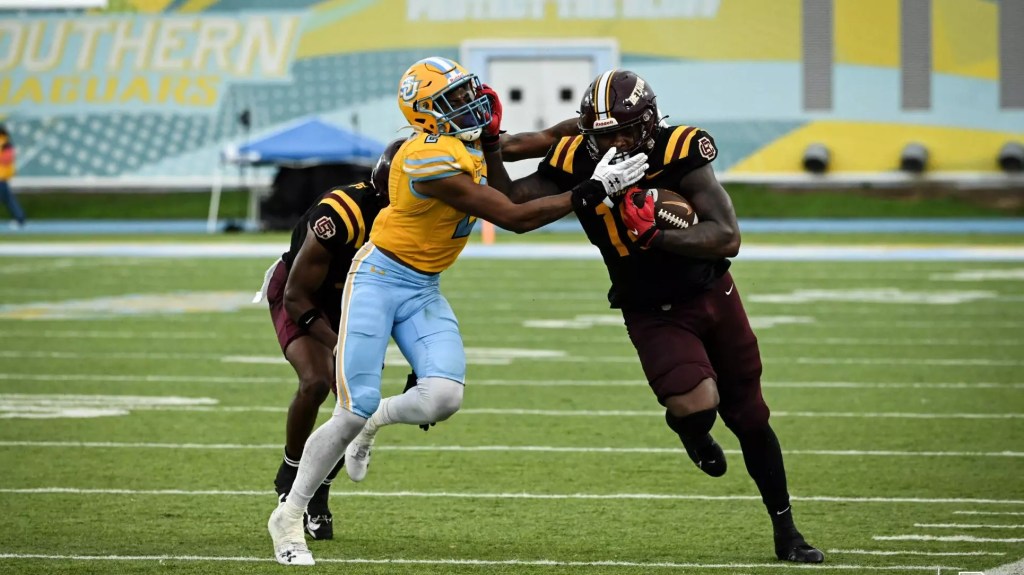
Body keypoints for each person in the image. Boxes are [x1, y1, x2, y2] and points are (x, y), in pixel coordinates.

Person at [266, 56, 646, 566]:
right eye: (455, 98)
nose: (470, 103)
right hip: (379, 278)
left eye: (468, 92)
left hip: (423, 285)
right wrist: (593, 189)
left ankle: (377, 419)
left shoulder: (460, 141)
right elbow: (511, 216)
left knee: (442, 397)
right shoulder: (425, 158)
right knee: (349, 408)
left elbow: (540, 138)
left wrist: (598, 127)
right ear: (426, 114)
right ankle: (289, 516)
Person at [505, 69, 825, 563]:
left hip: (712, 293)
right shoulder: (575, 157)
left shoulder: (681, 150)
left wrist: (658, 236)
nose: (617, 142)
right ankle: (692, 432)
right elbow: (511, 202)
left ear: (650, 123)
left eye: (627, 131)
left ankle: (787, 531)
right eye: (605, 134)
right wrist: (486, 151)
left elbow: (727, 237)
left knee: (750, 416)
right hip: (649, 307)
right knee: (697, 404)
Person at [255, 137, 406, 542]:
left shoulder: (418, 215)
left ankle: (317, 490)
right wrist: (340, 343)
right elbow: (296, 295)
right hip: (301, 292)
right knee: (318, 380)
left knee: (360, 401)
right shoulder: (343, 213)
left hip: (357, 298)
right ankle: (291, 468)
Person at [0, 125, 25, 230]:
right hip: (3, 176)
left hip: (2, 176)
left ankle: (20, 218)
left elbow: (6, 159)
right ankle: (20, 218)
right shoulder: (6, 143)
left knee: (8, 199)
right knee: (9, 199)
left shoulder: (5, 144)